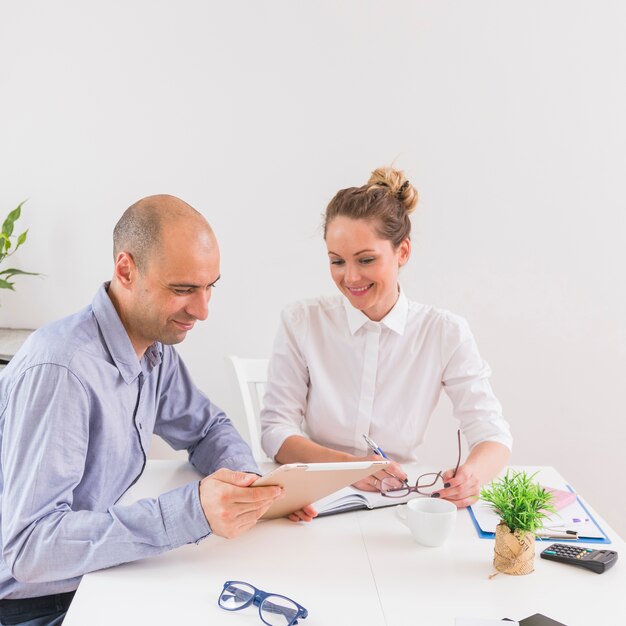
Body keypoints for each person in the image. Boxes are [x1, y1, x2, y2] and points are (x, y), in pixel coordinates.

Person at [0, 195, 302, 625]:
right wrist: (191, 511)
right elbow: (31, 549)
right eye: (182, 290)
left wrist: (246, 486)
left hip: (98, 577)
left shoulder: (152, 348)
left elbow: (207, 428)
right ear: (126, 269)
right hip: (34, 605)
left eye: (209, 286)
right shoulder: (62, 370)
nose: (202, 310)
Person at [260, 167, 512, 512]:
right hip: (315, 501)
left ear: (402, 252)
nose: (350, 277)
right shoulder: (302, 321)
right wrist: (348, 468)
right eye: (336, 261)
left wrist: (472, 476)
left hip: (400, 504)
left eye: (366, 260)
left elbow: (492, 433)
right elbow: (276, 431)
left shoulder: (444, 332)